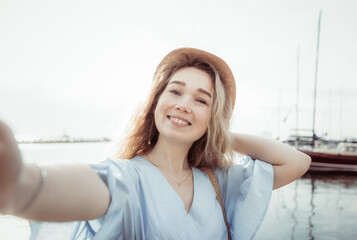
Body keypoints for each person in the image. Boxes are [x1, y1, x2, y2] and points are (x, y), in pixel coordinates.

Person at [0, 48, 311, 239]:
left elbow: (297, 162)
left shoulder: (218, 180)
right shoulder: (127, 178)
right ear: (155, 102)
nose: (184, 104)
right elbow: (80, 185)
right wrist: (21, 187)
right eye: (175, 92)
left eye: (201, 100)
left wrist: (213, 133)